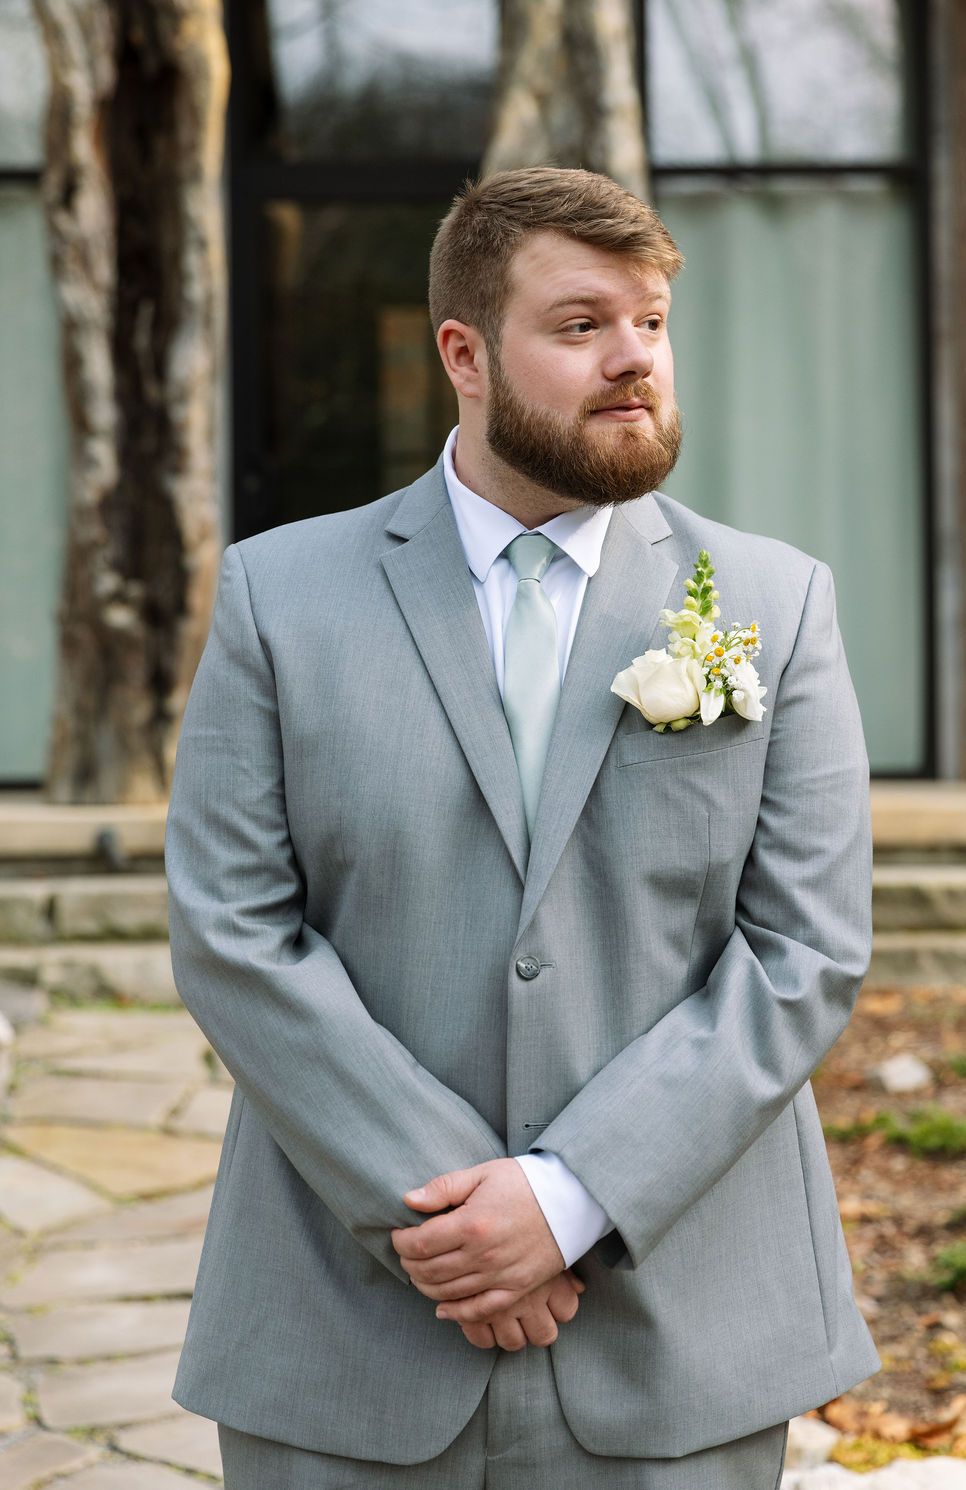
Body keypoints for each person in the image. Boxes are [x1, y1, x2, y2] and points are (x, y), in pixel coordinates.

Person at [166, 166, 879, 1489]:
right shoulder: (278, 596)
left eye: (652, 323)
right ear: (464, 353)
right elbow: (232, 933)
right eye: (582, 325)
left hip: (683, 1344)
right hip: (345, 1344)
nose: (634, 360)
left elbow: (804, 952)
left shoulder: (777, 606)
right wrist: (452, 1212)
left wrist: (568, 1199)